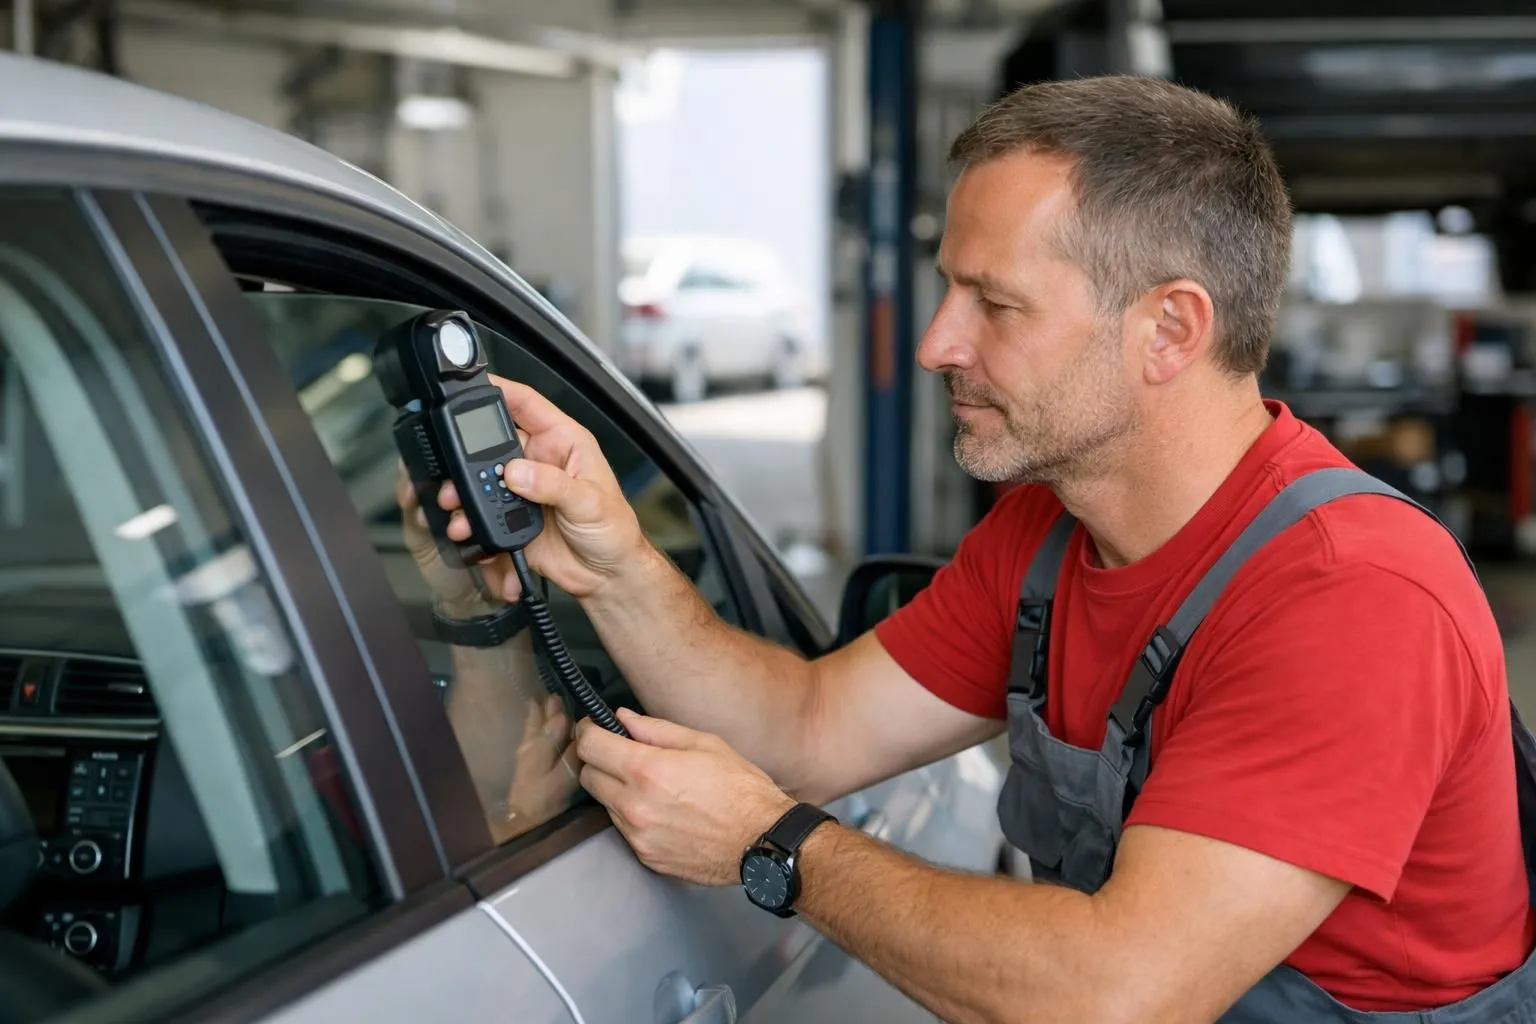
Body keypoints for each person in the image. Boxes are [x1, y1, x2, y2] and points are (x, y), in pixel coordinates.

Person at [432, 76, 1536, 1022]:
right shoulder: (1047, 538)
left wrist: (776, 846)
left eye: (993, 303)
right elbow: (805, 730)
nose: (933, 343)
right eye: (948, 287)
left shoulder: (1352, 598)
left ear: (1170, 330)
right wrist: (610, 557)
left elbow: (1122, 995)